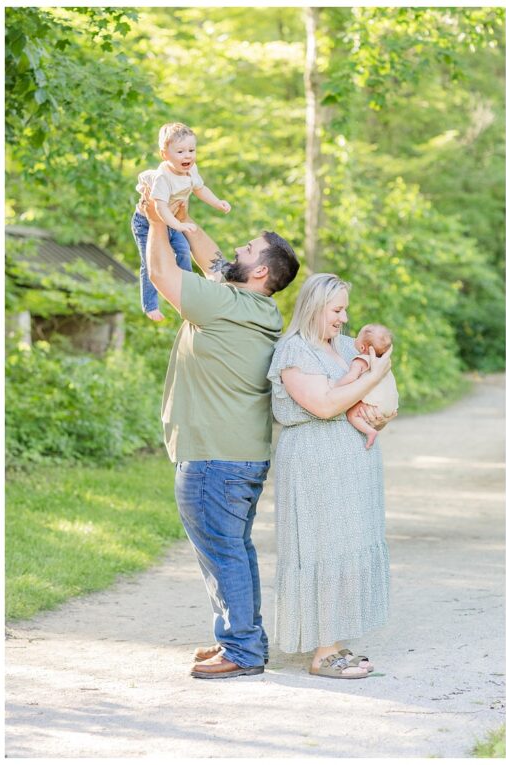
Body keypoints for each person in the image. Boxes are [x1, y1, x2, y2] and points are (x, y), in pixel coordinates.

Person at [140, 188, 300, 679]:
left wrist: (156, 220)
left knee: (224, 551)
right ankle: (240, 638)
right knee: (234, 549)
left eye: (246, 250)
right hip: (241, 456)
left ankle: (244, 652)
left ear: (259, 274)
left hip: (213, 459)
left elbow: (163, 274)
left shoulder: (223, 304)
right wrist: (185, 220)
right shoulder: (258, 308)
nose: (233, 252)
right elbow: (212, 258)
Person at [267, 273, 395, 679]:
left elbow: (360, 397)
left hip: (352, 465)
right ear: (314, 307)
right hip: (314, 465)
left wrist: (378, 411)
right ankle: (323, 653)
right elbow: (323, 405)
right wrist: (372, 378)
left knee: (347, 546)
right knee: (322, 547)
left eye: (345, 309)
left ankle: (335, 640)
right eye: (337, 310)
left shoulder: (344, 346)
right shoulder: (293, 352)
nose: (344, 318)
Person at [132, 122, 231, 322]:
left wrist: (217, 203)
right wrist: (177, 225)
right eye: (180, 151)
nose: (187, 156)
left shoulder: (191, 170)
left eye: (191, 150)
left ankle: (188, 292)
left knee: (183, 251)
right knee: (150, 262)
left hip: (175, 220)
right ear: (165, 155)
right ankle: (150, 305)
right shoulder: (163, 178)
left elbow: (200, 189)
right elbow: (158, 208)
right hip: (148, 222)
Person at [331, 323, 400, 449]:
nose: (354, 339)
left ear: (362, 347)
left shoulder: (360, 360)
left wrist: (334, 385)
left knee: (351, 413)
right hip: (390, 406)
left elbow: (351, 377)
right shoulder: (383, 364)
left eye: (357, 337)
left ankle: (370, 432)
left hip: (374, 404)